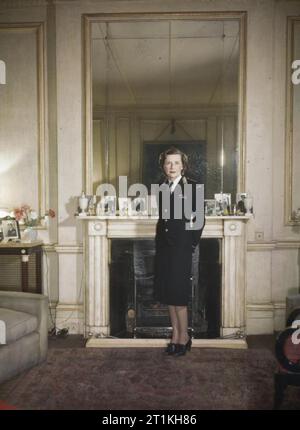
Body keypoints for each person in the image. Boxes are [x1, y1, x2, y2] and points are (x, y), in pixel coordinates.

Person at [154, 147, 205, 357]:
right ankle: (175, 335)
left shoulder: (193, 187)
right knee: (168, 295)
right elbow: (163, 219)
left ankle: (184, 337)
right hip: (165, 248)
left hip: (181, 248)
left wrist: (189, 244)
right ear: (163, 166)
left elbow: (199, 220)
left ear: (183, 165)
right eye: (168, 163)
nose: (172, 166)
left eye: (176, 163)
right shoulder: (162, 186)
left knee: (179, 296)